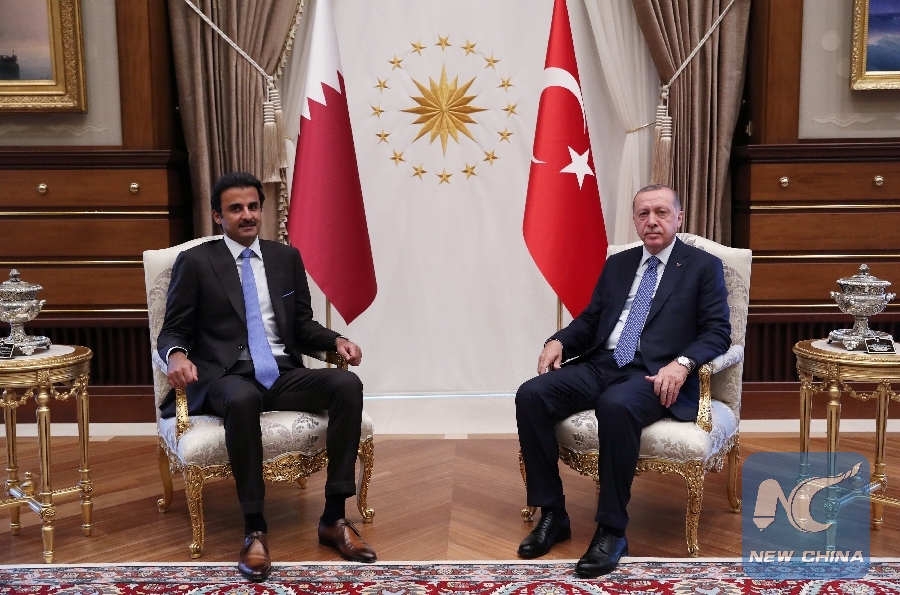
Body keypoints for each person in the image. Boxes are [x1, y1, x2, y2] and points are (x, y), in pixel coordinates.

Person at [157, 172, 376, 582]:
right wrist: (177, 356)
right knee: (243, 398)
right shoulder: (197, 262)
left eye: (253, 207)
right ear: (217, 216)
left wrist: (337, 340)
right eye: (235, 209)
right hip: (227, 375)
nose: (247, 215)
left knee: (346, 384)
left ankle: (334, 518)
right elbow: (173, 330)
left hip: (280, 372)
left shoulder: (285, 258)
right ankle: (254, 529)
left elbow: (303, 326)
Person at [515, 184, 731, 577]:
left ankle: (611, 531)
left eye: (661, 212)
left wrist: (682, 363)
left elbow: (718, 332)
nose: (652, 221)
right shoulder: (619, 264)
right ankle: (553, 514)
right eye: (643, 214)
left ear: (678, 218)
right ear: (634, 220)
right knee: (531, 395)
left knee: (615, 406)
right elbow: (591, 320)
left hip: (655, 373)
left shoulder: (702, 266)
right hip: (604, 363)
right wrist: (559, 340)